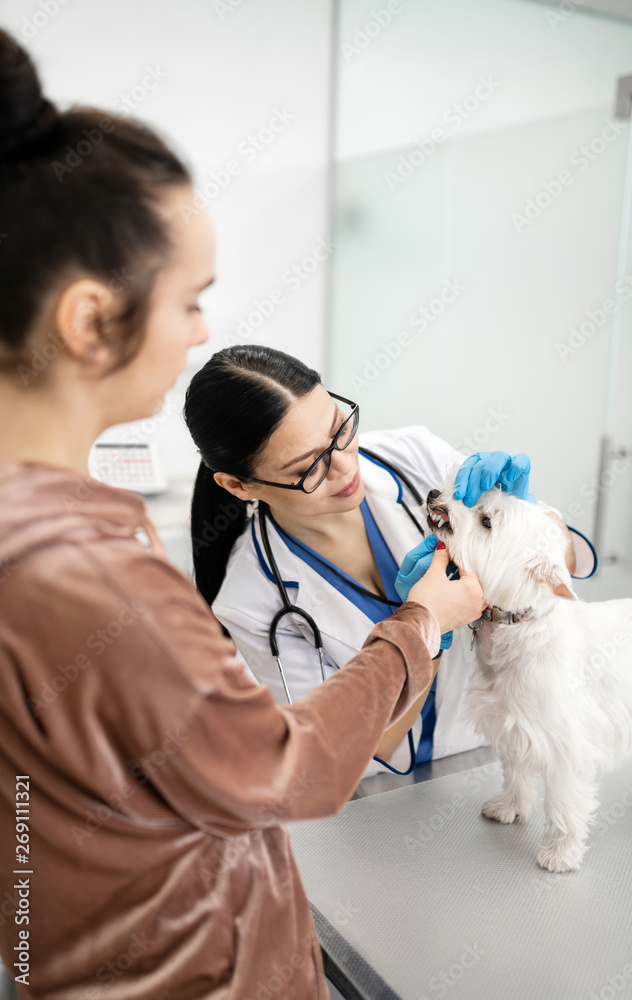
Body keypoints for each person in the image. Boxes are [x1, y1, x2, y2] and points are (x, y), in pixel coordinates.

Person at [0, 31, 487, 998]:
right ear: (91, 319)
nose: (202, 332)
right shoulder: (82, 570)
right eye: (190, 300)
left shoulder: (62, 532)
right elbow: (286, 771)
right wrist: (422, 623)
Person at [184, 346, 597, 778]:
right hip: (383, 802)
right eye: (309, 468)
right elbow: (349, 751)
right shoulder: (251, 601)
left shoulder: (412, 456)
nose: (345, 467)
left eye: (339, 430)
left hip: (499, 760)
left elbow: (559, 569)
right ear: (238, 484)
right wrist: (426, 629)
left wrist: (530, 516)